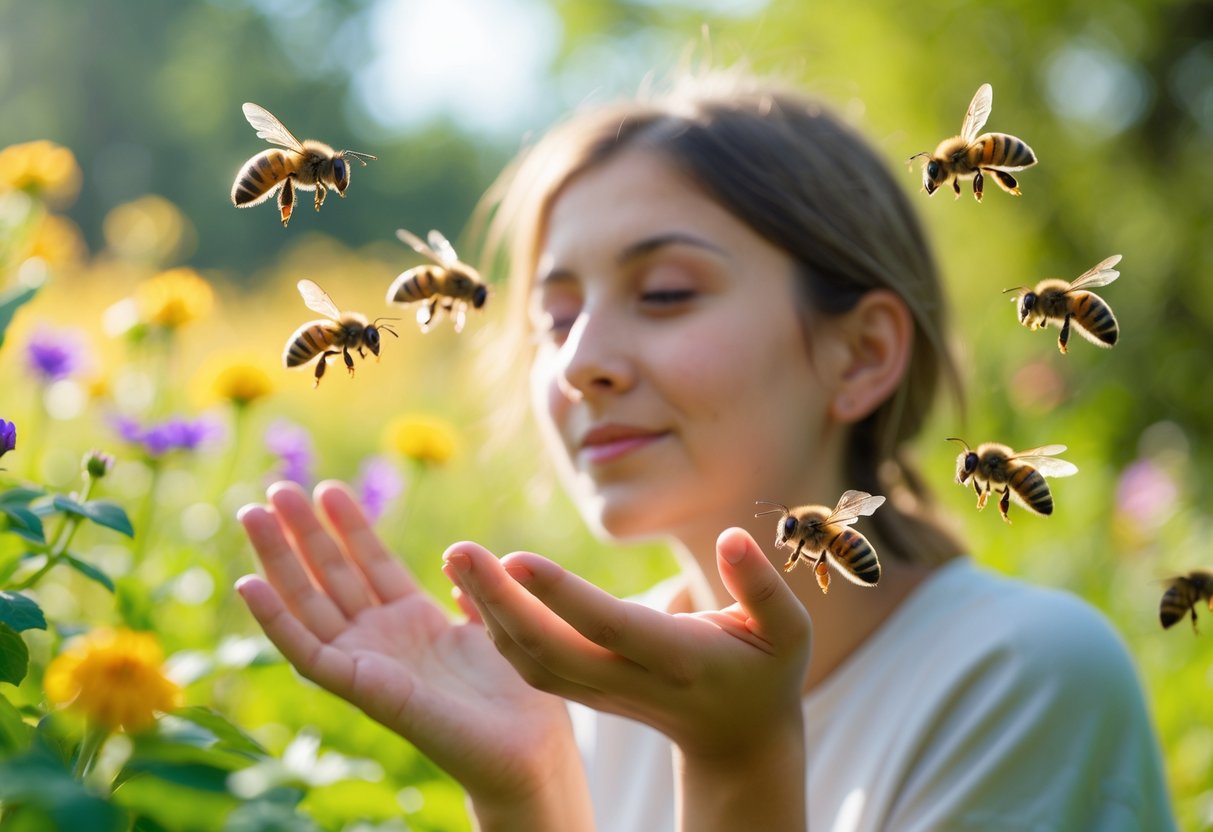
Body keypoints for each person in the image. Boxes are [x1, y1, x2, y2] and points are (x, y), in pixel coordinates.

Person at [236, 68, 1175, 831]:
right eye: (554, 317)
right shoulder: (582, 697)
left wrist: (740, 758)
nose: (579, 364)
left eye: (667, 293)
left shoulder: (1022, 676)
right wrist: (530, 794)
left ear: (862, 354)